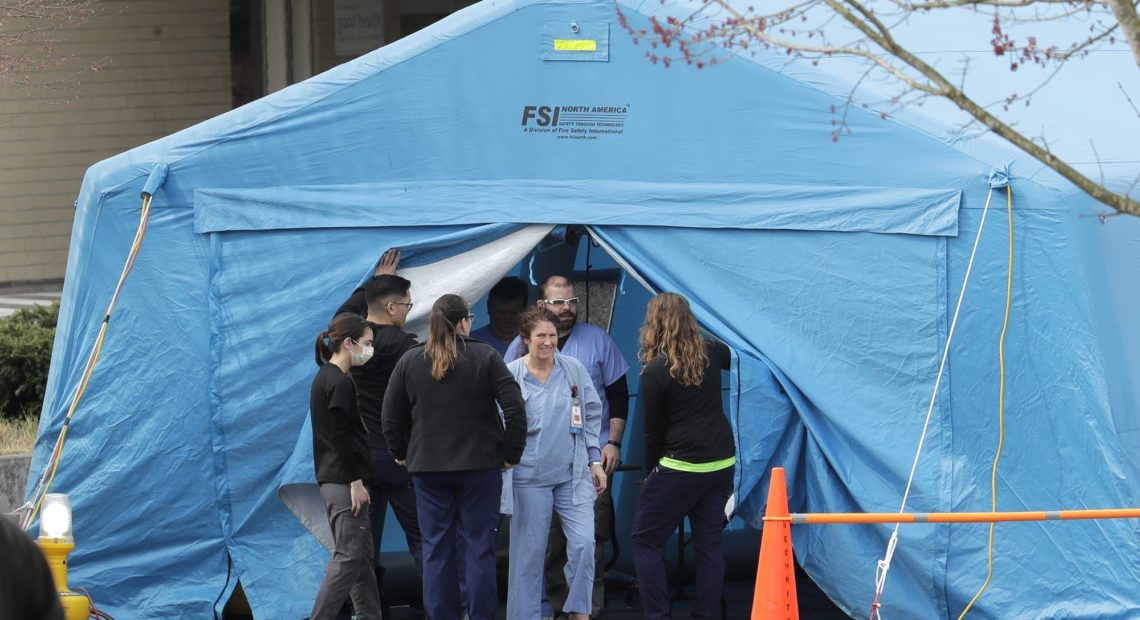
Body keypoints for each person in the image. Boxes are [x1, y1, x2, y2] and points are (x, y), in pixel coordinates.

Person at [382, 294, 527, 620]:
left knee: (436, 549)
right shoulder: (486, 355)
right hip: (480, 467)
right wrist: (511, 453)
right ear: (464, 321)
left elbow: (390, 415)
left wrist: (400, 453)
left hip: (428, 468)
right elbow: (515, 409)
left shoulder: (410, 360)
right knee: (479, 549)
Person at [505, 275, 630, 617]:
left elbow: (593, 412)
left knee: (585, 546)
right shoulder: (511, 373)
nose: (548, 341)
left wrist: (595, 459)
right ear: (526, 340)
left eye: (552, 336)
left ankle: (579, 612)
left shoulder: (573, 367)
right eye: (541, 336)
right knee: (530, 555)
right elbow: (496, 419)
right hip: (529, 476)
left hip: (573, 474)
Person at [630, 292, 735, 620]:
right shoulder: (714, 352)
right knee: (709, 546)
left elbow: (653, 432)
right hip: (722, 462)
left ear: (654, 323)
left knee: (645, 540)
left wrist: (650, 474)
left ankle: (658, 616)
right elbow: (745, 358)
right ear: (690, 319)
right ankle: (705, 616)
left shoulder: (655, 371)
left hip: (680, 466)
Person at [333, 248, 424, 593]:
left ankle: (365, 612)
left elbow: (344, 313)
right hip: (399, 457)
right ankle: (440, 608)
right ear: (391, 308)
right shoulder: (407, 347)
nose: (408, 310)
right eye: (406, 305)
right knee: (423, 537)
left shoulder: (349, 342)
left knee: (360, 545)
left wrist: (371, 284)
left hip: (360, 460)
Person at [309, 313, 383, 620]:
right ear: (348, 343)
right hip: (343, 482)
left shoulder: (327, 377)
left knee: (361, 559)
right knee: (349, 555)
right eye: (367, 343)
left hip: (338, 479)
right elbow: (340, 436)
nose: (370, 349)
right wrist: (355, 481)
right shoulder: (338, 381)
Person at [470, 276, 529, 356]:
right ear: (489, 307)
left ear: (524, 311)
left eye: (514, 313)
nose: (507, 319)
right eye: (501, 312)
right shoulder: (470, 343)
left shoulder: (536, 343)